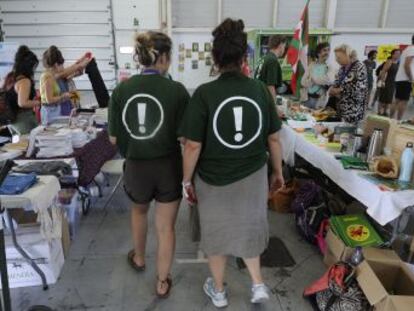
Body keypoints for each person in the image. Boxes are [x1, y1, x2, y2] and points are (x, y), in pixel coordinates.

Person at [180, 19, 284, 308]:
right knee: (249, 228)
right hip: (252, 175)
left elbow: (192, 145)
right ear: (243, 58)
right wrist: (277, 172)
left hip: (213, 179)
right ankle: (258, 284)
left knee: (217, 234)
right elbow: (274, 139)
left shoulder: (203, 94)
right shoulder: (261, 90)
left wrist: (186, 180)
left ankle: (220, 291)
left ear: (215, 58)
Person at [108, 31, 189, 298]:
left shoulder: (121, 90)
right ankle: (162, 281)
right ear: (163, 58)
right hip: (168, 166)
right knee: (165, 227)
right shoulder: (176, 91)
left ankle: (140, 257)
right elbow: (185, 136)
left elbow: (113, 137)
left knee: (139, 212)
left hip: (136, 166)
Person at [40, 46, 90, 125]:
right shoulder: (51, 77)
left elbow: (74, 70)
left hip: (66, 103)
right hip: (58, 107)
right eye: (61, 65)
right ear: (56, 65)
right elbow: (50, 99)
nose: (63, 68)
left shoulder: (59, 75)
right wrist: (80, 64)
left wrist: (81, 63)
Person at [4, 46, 40, 134]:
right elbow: (22, 103)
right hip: (23, 119)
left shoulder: (11, 76)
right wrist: (39, 102)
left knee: (19, 146)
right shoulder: (25, 81)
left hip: (13, 120)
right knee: (29, 145)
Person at [329, 45, 368, 124]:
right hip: (340, 109)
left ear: (347, 55)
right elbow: (336, 83)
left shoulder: (359, 66)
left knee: (348, 134)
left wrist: (339, 91)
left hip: (352, 111)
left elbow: (356, 89)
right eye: (336, 57)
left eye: (339, 57)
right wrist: (334, 89)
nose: (336, 60)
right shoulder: (342, 68)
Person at [301, 42, 335, 109]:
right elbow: (303, 82)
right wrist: (316, 81)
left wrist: (312, 79)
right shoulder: (311, 65)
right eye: (324, 50)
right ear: (318, 53)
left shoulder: (330, 67)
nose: (327, 52)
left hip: (320, 100)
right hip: (307, 98)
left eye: (328, 50)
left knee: (317, 119)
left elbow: (328, 80)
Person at [255, 35, 287, 100]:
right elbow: (270, 86)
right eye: (284, 46)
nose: (284, 49)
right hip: (264, 99)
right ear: (280, 45)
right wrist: (274, 106)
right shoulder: (272, 60)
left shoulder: (264, 58)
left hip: (258, 96)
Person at [393, 35, 414, 120]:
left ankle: (391, 119)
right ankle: (398, 121)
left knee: (397, 100)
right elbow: (407, 65)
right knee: (403, 101)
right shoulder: (412, 49)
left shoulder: (407, 49)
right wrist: (411, 78)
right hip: (406, 79)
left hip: (401, 78)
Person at [377, 49, 401, 116]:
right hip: (387, 82)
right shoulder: (389, 62)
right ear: (392, 54)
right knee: (383, 98)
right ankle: (380, 111)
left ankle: (386, 112)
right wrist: (382, 81)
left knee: (389, 99)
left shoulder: (398, 63)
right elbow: (383, 71)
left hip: (393, 83)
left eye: (399, 54)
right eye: (396, 53)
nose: (398, 55)